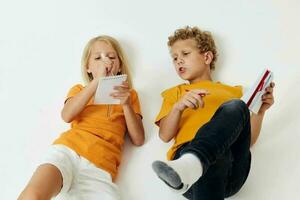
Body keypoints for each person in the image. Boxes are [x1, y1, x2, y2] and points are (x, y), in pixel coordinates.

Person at [152, 26, 275, 200]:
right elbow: (165, 135)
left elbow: (249, 140)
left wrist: (260, 113)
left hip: (232, 165)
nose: (179, 60)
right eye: (174, 58)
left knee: (236, 106)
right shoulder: (176, 93)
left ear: (207, 57)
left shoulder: (235, 92)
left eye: (185, 54)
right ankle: (191, 163)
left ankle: (194, 163)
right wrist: (178, 108)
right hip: (186, 168)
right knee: (212, 159)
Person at [18, 35, 145, 200]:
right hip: (68, 152)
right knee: (33, 195)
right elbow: (66, 115)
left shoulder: (130, 95)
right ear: (88, 68)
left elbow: (138, 139)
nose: (105, 61)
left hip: (101, 169)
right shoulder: (79, 89)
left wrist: (127, 104)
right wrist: (97, 82)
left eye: (111, 57)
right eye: (98, 58)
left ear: (119, 65)